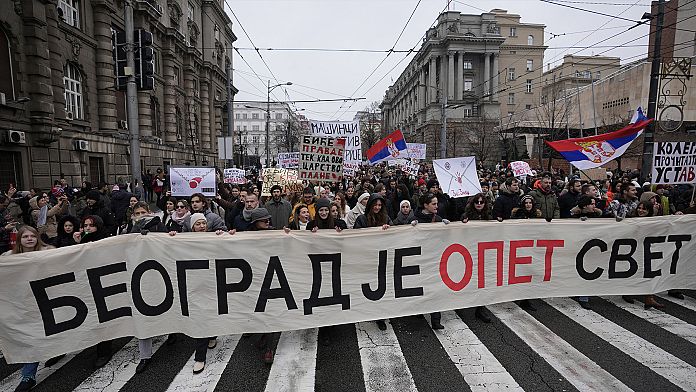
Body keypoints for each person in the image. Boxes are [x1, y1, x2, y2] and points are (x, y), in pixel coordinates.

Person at [169, 213, 229, 373]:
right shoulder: (184, 240)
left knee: (213, 312)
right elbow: (170, 250)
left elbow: (230, 248)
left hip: (213, 283)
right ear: (192, 227)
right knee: (201, 316)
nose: (202, 226)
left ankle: (212, 335)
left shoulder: (214, 237)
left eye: (204, 223)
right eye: (198, 224)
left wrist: (224, 237)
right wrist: (172, 238)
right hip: (194, 285)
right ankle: (200, 357)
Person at [2, 226, 55, 391]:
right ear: (19, 240)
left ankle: (57, 350)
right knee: (32, 338)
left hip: (48, 301)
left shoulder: (50, 253)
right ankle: (28, 376)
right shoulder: (7, 260)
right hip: (24, 305)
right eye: (25, 236)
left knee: (52, 333)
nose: (30, 239)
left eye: (33, 236)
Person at [72, 215, 116, 369]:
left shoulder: (106, 240)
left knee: (104, 316)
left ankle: (104, 351)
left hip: (105, 283)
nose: (88, 228)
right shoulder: (82, 241)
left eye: (91, 225)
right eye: (85, 225)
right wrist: (78, 245)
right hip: (86, 284)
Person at [353, 193, 392, 330]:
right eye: (375, 204)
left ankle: (380, 316)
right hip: (367, 258)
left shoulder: (386, 218)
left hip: (382, 258)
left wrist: (389, 229)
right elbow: (356, 237)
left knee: (381, 288)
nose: (377, 207)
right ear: (370, 205)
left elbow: (395, 235)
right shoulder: (361, 219)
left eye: (380, 205)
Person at [412, 193, 451, 330]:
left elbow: (444, 239)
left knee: (436, 289)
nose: (437, 206)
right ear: (425, 205)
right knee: (422, 287)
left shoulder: (438, 219)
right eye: (433, 204)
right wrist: (410, 227)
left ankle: (436, 320)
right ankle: (418, 310)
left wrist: (447, 228)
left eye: (437, 203)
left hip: (435, 258)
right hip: (421, 259)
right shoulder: (415, 219)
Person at [247, 208, 280, 363]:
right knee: (258, 310)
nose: (268, 222)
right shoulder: (246, 235)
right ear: (255, 223)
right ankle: (264, 336)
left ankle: (269, 348)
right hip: (255, 277)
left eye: (268, 220)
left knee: (270, 312)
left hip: (272, 277)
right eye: (264, 221)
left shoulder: (274, 233)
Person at [620, 201, 666, 309]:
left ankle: (649, 298)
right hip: (632, 250)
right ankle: (627, 292)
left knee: (649, 272)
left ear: (649, 211)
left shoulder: (653, 221)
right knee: (632, 271)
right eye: (639, 208)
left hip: (647, 249)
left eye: (644, 209)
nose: (641, 210)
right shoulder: (630, 219)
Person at [461, 194, 495, 323]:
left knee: (482, 281)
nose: (479, 204)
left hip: (484, 253)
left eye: (481, 202)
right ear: (473, 203)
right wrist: (464, 224)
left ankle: (480, 308)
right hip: (470, 252)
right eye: (477, 202)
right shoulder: (466, 216)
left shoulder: (488, 216)